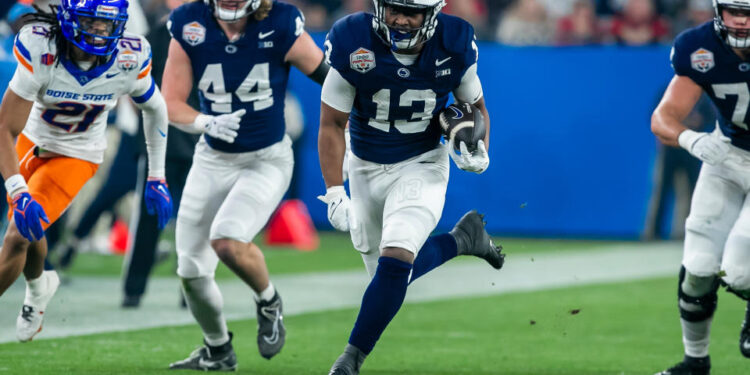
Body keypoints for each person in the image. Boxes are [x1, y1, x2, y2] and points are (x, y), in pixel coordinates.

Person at [317, 1, 504, 373]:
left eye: (411, 12)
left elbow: (475, 107)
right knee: (385, 279)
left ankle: (349, 360)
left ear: (431, 15)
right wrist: (335, 189)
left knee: (397, 259)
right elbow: (331, 123)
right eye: (393, 8)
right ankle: (462, 240)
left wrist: (479, 149)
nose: (401, 19)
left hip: (422, 162)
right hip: (365, 164)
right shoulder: (352, 38)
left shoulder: (454, 41)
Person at [162, 0, 329, 370]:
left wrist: (355, 121)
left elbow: (331, 79)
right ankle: (217, 349)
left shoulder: (282, 23)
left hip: (265, 159)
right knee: (190, 270)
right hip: (212, 158)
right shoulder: (190, 22)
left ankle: (268, 300)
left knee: (227, 239)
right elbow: (171, 102)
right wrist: (205, 121)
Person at [0, 0, 172, 342]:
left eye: (106, 25)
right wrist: (19, 191)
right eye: (90, 22)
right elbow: (5, 128)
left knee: (18, 233)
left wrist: (157, 174)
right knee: (29, 227)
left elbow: (156, 109)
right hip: (29, 140)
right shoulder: (41, 46)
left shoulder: (129, 57)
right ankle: (39, 286)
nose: (98, 32)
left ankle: (35, 292)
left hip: (76, 154)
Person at [652, 1, 750, 374]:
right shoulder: (700, 46)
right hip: (726, 155)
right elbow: (662, 117)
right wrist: (690, 139)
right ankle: (695, 363)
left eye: (749, 12)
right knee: (698, 267)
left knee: (741, 272)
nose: (740, 20)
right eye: (733, 10)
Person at [121, 0, 200, 309]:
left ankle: (135, 290)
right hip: (177, 139)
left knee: (164, 218)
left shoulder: (164, 29)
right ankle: (190, 292)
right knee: (189, 220)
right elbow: (136, 83)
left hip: (178, 138)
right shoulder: (204, 32)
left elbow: (135, 86)